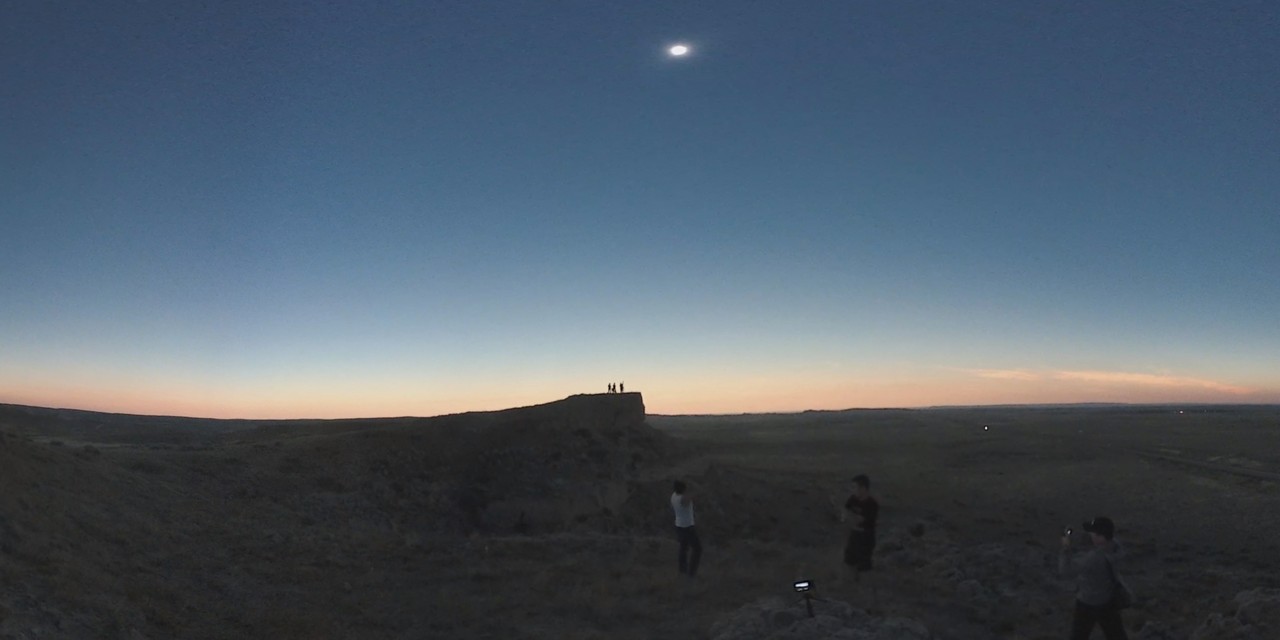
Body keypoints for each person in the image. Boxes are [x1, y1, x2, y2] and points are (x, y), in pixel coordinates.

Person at [1060, 516, 1129, 640]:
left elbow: (1065, 571)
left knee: (1078, 636)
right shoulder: (1116, 549)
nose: (1090, 535)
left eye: (1093, 533)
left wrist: (1066, 549)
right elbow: (1106, 543)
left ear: (1101, 537)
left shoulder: (1093, 559)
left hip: (1087, 603)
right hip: (1109, 601)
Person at [842, 474, 879, 580]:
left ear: (863, 488)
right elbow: (845, 512)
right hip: (854, 535)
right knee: (849, 561)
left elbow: (860, 520)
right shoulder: (852, 499)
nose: (852, 491)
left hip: (866, 538)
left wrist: (850, 517)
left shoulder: (872, 504)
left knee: (864, 566)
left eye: (854, 487)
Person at [671, 480, 701, 577]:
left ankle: (682, 570)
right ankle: (691, 572)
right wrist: (694, 486)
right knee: (698, 549)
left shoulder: (673, 497)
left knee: (683, 548)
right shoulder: (683, 499)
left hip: (679, 526)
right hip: (687, 527)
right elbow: (696, 493)